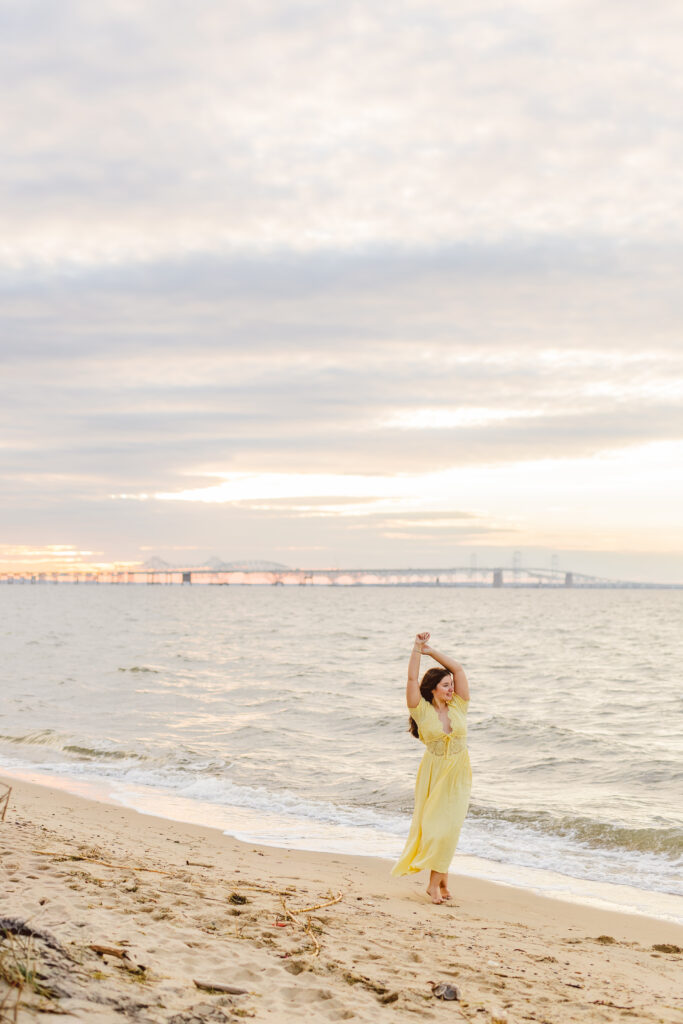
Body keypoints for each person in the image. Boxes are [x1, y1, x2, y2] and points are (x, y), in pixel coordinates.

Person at [391, 631, 472, 904]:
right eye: (446, 685)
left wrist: (432, 651)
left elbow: (458, 668)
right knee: (438, 829)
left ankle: (439, 883)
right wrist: (416, 649)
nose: (451, 689)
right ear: (433, 688)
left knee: (450, 829)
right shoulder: (421, 710)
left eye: (451, 684)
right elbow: (412, 679)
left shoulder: (460, 705)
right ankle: (436, 885)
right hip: (434, 773)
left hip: (459, 773)